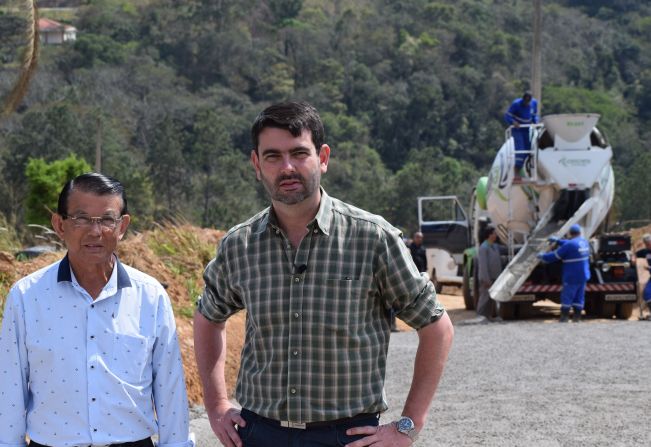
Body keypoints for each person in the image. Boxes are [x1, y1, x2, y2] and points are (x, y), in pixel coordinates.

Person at [194, 101, 454, 447]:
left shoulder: (372, 239)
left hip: (348, 436)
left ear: (324, 157)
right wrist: (216, 406)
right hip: (259, 433)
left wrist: (408, 425)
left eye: (299, 153)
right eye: (272, 156)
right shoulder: (239, 245)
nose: (287, 167)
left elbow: (437, 327)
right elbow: (207, 318)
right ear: (257, 165)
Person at [0, 173, 193, 447]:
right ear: (60, 224)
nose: (95, 231)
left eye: (106, 220)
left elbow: (170, 389)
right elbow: (9, 389)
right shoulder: (26, 296)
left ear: (122, 225)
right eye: (81, 218)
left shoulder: (150, 296)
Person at [537, 224, 591, 323]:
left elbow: (554, 256)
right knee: (579, 296)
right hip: (583, 275)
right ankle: (577, 317)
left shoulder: (569, 245)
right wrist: (558, 241)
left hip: (572, 276)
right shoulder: (584, 242)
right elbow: (571, 244)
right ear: (580, 232)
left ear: (570, 233)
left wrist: (543, 256)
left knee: (567, 296)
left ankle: (564, 317)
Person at [504, 91, 539, 174]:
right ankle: (516, 171)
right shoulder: (516, 104)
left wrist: (536, 122)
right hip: (518, 130)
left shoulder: (534, 103)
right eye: (525, 101)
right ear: (522, 99)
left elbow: (534, 115)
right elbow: (507, 115)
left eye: (528, 101)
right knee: (520, 150)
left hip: (527, 129)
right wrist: (513, 122)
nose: (526, 103)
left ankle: (526, 170)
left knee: (528, 150)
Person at [476, 225, 502, 321]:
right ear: (489, 235)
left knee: (491, 299)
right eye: (494, 233)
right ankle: (480, 316)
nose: (496, 235)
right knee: (484, 298)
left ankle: (488, 317)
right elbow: (483, 266)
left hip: (494, 277)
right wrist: (486, 279)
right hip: (486, 279)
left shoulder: (494, 246)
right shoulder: (484, 248)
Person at [634, 233, 651, 319]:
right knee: (647, 294)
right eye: (646, 244)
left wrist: (648, 267)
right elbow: (636, 254)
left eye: (649, 243)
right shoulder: (646, 251)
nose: (648, 245)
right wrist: (633, 258)